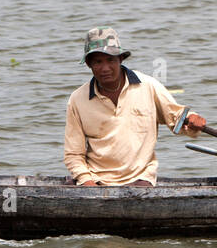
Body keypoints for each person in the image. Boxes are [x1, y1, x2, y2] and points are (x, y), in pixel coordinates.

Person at [64, 26, 205, 187]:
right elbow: (73, 154)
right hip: (96, 178)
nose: (105, 68)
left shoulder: (148, 86)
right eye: (98, 61)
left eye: (110, 60)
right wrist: (88, 183)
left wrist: (193, 119)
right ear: (89, 64)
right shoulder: (77, 99)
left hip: (139, 178)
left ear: (120, 59)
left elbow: (178, 120)